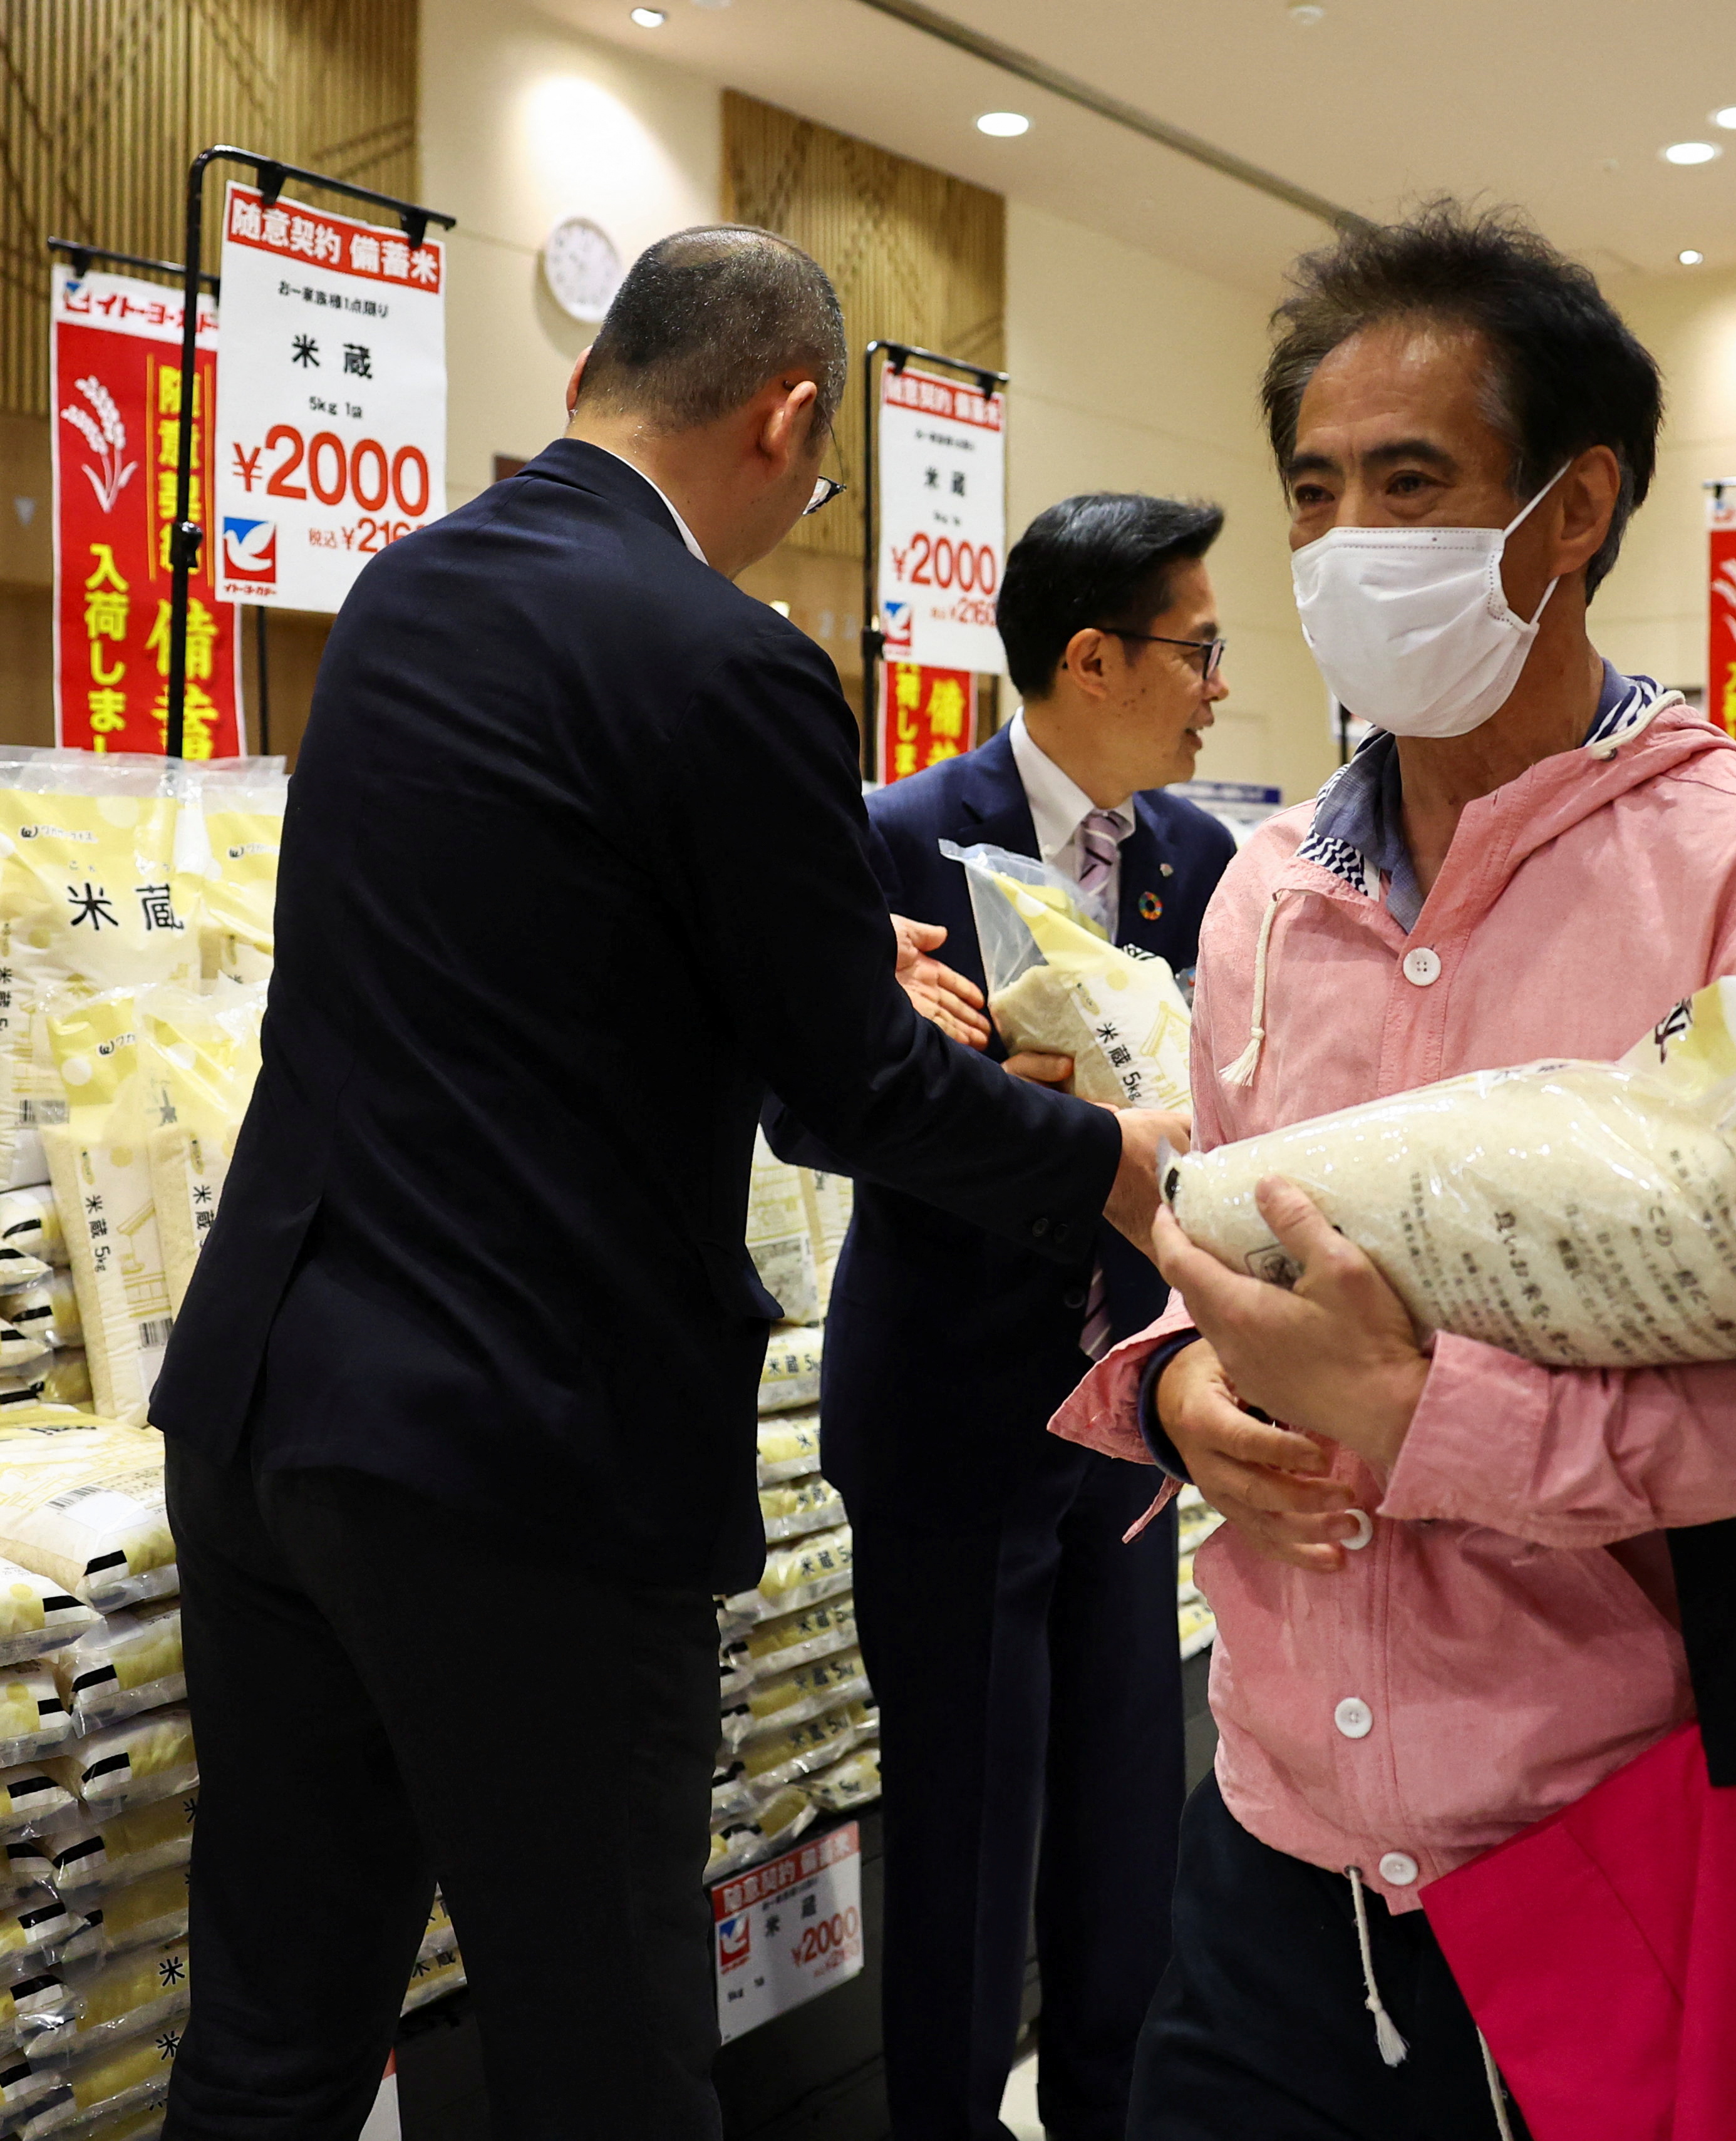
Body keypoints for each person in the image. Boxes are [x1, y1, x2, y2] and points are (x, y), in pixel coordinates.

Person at [148, 229, 1182, 2138]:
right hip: (519, 1443)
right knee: (603, 2042)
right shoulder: (730, 658)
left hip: (267, 1398)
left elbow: (517, 943)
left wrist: (793, 955)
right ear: (788, 416)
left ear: (585, 384)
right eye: (818, 466)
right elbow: (843, 1092)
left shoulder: (399, 594)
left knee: (274, 2024)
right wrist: (1106, 1162)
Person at [1047, 201, 1736, 2140]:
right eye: (1316, 490)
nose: (1351, 540)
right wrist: (1188, 1393)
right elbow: (1210, 1235)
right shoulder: (1264, 898)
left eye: (1412, 480)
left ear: (1573, 504)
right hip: (1269, 1839)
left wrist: (1426, 1416)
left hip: (1615, 1837)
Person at [768, 493, 1238, 2141]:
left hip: (1132, 1415)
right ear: (1089, 655)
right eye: (1197, 647)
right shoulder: (892, 837)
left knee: (1123, 1819)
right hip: (951, 1413)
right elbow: (812, 1110)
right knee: (967, 1831)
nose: (1218, 688)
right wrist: (1026, 1116)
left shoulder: (1202, 860)